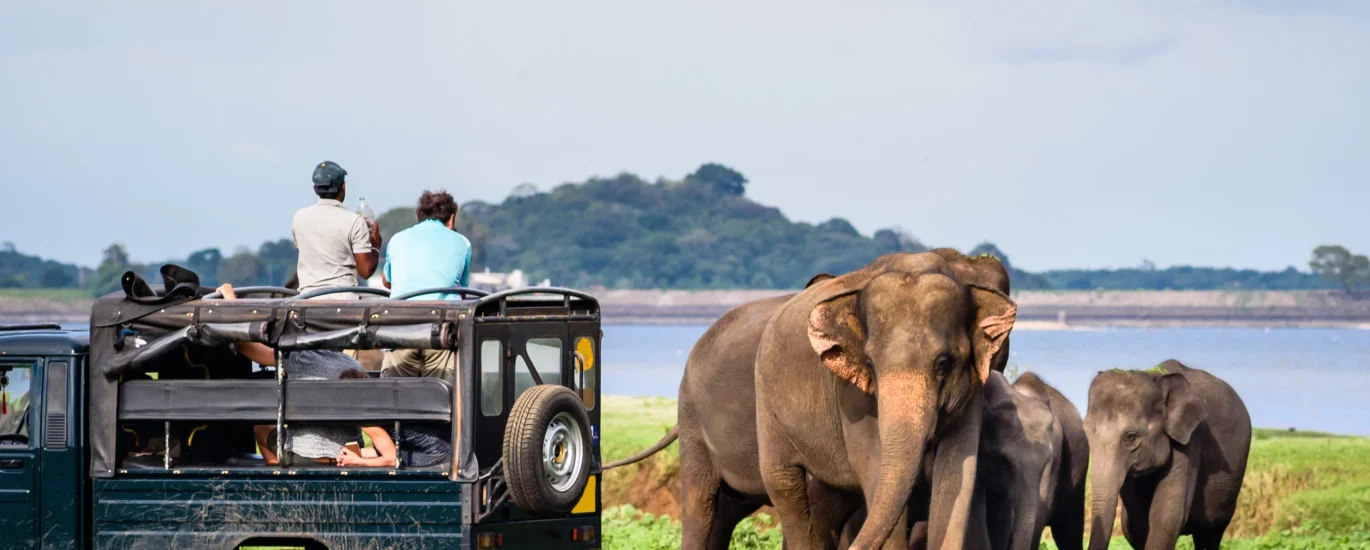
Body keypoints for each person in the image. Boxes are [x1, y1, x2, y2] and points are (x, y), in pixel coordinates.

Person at [217, 284, 389, 466]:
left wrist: (230, 299)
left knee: (261, 429)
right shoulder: (353, 365)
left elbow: (245, 345)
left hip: (305, 457)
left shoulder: (299, 357)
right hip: (347, 456)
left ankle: (278, 472)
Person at [377, 190, 472, 379]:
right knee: (443, 394)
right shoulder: (462, 242)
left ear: (419, 216)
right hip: (441, 332)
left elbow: (387, 281)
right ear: (451, 219)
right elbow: (462, 290)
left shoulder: (397, 239)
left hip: (400, 329)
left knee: (394, 394)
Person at [292, 160, 382, 298]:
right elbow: (366, 271)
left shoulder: (299, 218)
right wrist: (375, 246)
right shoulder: (354, 221)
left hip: (308, 298)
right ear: (343, 187)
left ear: (315, 189)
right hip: (343, 300)